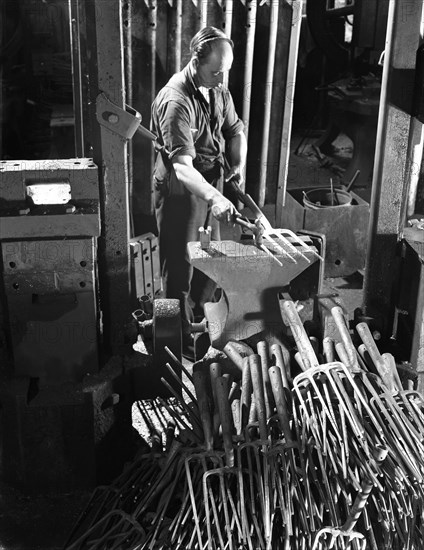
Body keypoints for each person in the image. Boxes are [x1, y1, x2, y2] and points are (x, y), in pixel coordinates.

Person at [151, 26, 247, 346]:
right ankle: (172, 344)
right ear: (195, 60)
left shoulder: (216, 88)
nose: (222, 80)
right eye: (216, 72)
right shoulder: (175, 101)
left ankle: (196, 327)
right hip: (182, 193)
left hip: (210, 187)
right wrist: (216, 197)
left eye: (225, 73)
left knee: (211, 261)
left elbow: (236, 131)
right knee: (179, 273)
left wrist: (237, 167)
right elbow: (181, 167)